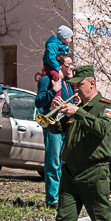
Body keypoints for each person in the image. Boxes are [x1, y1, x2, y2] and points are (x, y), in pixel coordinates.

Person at [23, 66, 111, 221]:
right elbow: (57, 129)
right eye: (74, 85)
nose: (75, 88)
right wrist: (54, 113)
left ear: (92, 84)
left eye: (79, 84)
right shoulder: (75, 106)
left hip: (94, 171)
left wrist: (78, 113)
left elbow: (102, 129)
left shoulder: (106, 106)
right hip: (71, 172)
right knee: (63, 220)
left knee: (101, 219)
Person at [35, 52, 74, 208]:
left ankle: (64, 195)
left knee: (65, 162)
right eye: (68, 65)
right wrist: (52, 91)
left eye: (72, 64)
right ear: (60, 66)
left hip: (66, 125)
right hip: (52, 124)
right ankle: (53, 200)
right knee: (54, 162)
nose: (71, 67)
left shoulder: (68, 82)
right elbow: (38, 102)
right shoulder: (47, 80)